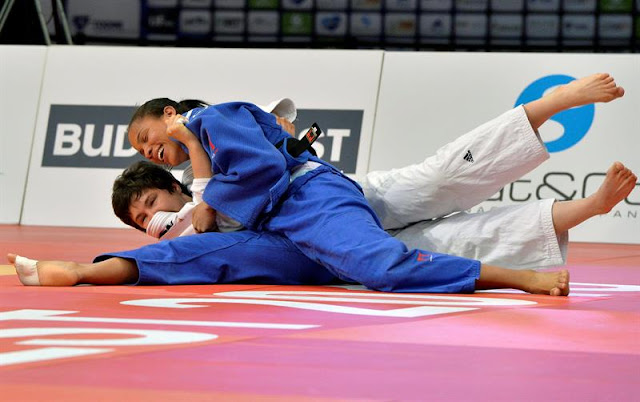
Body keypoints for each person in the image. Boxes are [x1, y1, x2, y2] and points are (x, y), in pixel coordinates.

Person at [8, 74, 634, 296]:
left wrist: (208, 183)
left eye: (149, 199)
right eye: (138, 218)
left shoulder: (211, 125)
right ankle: (584, 209)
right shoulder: (199, 166)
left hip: (318, 200)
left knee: (443, 180)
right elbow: (197, 227)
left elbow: (247, 177)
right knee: (460, 241)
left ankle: (548, 105)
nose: (150, 216)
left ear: (171, 115)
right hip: (305, 226)